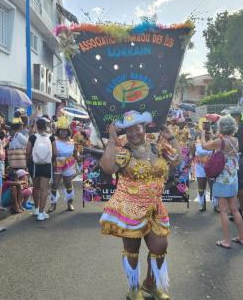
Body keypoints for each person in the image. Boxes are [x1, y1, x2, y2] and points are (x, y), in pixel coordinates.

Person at [99, 111, 180, 300]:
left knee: (160, 247)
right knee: (132, 251)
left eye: (137, 128)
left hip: (155, 208)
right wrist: (112, 138)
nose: (134, 133)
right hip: (130, 208)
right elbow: (108, 168)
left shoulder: (158, 148)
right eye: (129, 130)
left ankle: (150, 285)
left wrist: (172, 138)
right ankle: (133, 288)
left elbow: (177, 161)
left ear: (144, 128)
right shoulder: (123, 151)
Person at [200, 115, 243, 249]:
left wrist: (203, 134)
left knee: (223, 211)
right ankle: (242, 237)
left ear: (221, 127)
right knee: (234, 209)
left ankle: (227, 240)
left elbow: (204, 146)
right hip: (233, 178)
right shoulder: (235, 140)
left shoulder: (220, 142)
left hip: (222, 179)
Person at [29, 117, 55, 220]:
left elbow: (27, 151)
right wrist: (51, 161)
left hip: (34, 165)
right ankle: (41, 212)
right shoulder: (51, 137)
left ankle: (36, 209)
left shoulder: (32, 137)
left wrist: (29, 160)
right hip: (47, 165)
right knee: (44, 189)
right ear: (46, 126)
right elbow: (55, 152)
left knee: (35, 187)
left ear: (36, 126)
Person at [52, 119, 79, 213]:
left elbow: (76, 154)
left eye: (65, 130)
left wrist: (83, 158)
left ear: (68, 131)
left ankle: (70, 203)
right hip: (57, 163)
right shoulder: (54, 140)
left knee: (68, 183)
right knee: (55, 184)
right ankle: (53, 203)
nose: (63, 132)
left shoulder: (72, 141)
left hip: (69, 164)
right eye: (61, 130)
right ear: (58, 131)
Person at [192, 117, 214, 211]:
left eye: (208, 124)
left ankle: (216, 205)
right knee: (201, 186)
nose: (206, 126)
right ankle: (202, 203)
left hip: (212, 166)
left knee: (213, 186)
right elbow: (197, 151)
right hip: (200, 165)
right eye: (204, 124)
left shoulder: (213, 136)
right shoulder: (198, 135)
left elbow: (214, 151)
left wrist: (212, 137)